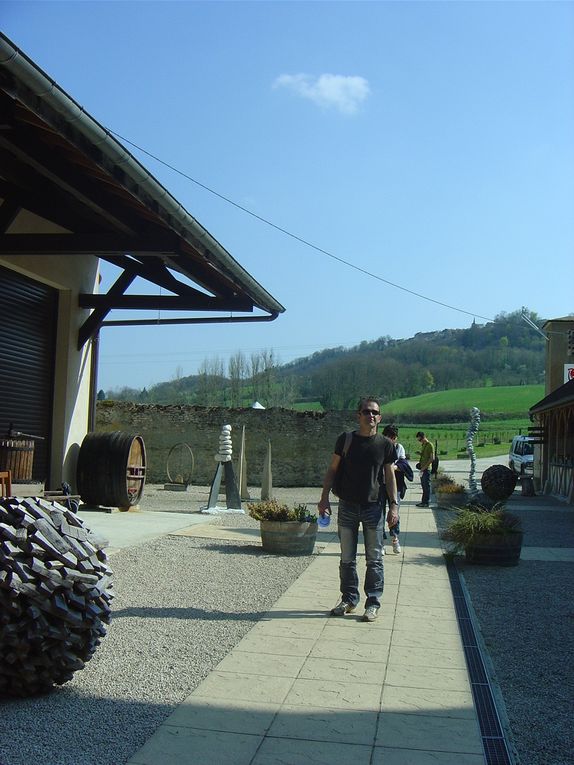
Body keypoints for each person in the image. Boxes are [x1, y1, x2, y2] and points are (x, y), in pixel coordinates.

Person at [318, 397, 398, 622]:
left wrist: (394, 506)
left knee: (374, 559)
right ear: (359, 415)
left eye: (374, 412)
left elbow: (390, 476)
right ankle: (349, 599)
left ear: (379, 417)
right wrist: (324, 498)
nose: (370, 415)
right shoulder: (346, 440)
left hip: (374, 507)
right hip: (347, 506)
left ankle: (372, 603)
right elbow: (332, 470)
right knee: (347, 558)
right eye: (366, 412)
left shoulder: (385, 445)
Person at [380, 424, 409, 554]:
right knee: (378, 514)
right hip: (380, 486)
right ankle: (380, 541)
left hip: (395, 485)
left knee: (394, 512)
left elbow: (403, 464)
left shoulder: (399, 448)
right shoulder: (378, 446)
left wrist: (394, 468)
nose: (392, 440)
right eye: (389, 437)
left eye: (394, 437)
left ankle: (395, 538)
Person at [415, 431, 434, 507]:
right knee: (423, 486)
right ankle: (423, 501)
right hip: (422, 468)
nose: (419, 441)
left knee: (426, 486)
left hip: (426, 469)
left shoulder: (430, 445)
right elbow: (425, 455)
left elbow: (432, 458)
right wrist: (420, 453)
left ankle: (426, 502)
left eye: (420, 439)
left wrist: (424, 467)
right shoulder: (424, 445)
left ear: (423, 437)